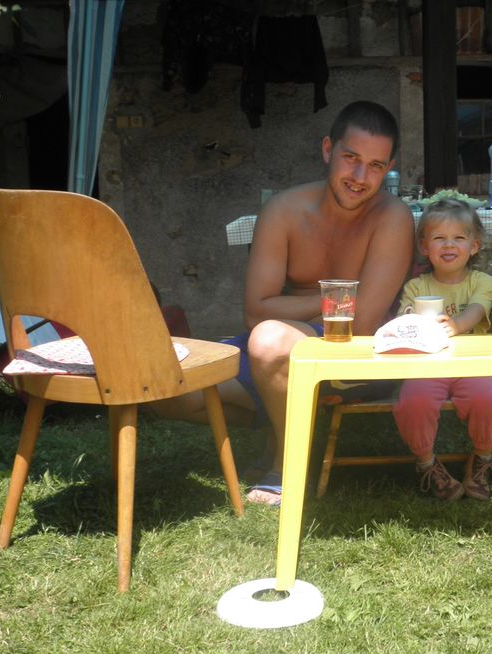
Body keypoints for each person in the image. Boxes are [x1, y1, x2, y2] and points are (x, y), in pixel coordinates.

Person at [154, 101, 415, 506]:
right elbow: (256, 311)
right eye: (351, 158)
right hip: (278, 349)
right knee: (169, 389)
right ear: (328, 149)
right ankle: (281, 420)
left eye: (376, 166)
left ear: (389, 168)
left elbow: (361, 321)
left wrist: (292, 309)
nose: (360, 178)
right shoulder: (284, 210)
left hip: (356, 360)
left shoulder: (393, 217)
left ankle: (286, 465)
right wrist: (334, 298)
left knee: (270, 339)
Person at [392, 198, 492, 502]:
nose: (449, 245)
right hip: (426, 366)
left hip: (471, 365)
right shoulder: (416, 286)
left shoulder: (482, 282)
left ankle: (483, 457)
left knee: (486, 397)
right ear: (425, 247)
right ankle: (427, 463)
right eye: (439, 238)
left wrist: (456, 324)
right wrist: (408, 317)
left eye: (459, 238)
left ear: (474, 246)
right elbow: (404, 318)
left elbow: (477, 310)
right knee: (413, 402)